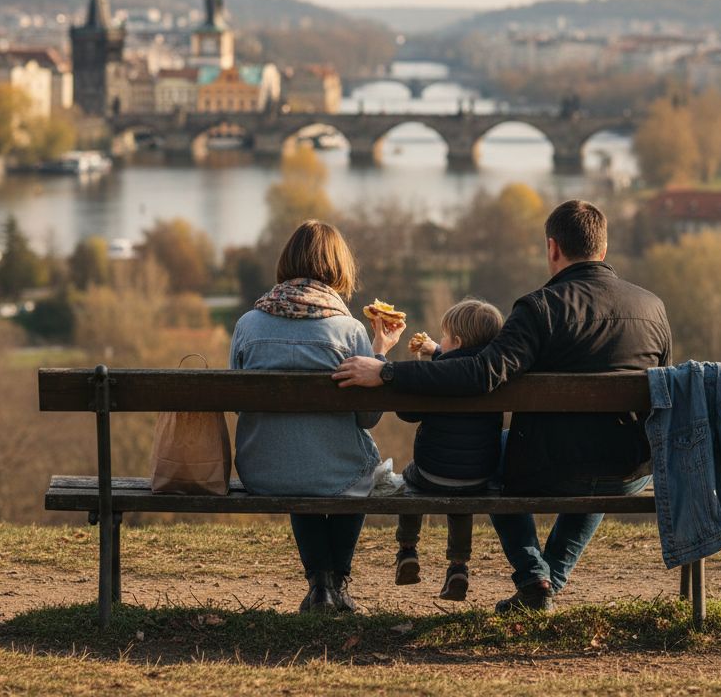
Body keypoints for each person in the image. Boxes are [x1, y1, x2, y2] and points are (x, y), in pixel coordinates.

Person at [334, 199, 671, 613]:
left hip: (554, 467)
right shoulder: (652, 308)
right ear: (603, 249)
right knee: (599, 459)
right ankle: (544, 582)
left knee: (496, 456)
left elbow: (480, 374)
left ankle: (535, 577)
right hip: (630, 467)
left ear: (553, 248)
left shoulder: (539, 309)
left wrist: (388, 373)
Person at [231, 220, 404, 614]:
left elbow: (241, 404)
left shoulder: (248, 325)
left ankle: (320, 584)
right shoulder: (349, 331)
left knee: (295, 456)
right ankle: (334, 583)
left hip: (263, 470)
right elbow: (367, 419)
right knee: (359, 471)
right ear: (338, 267)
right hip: (336, 472)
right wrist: (378, 355)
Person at [393, 299, 504, 601]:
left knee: (408, 479)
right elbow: (463, 363)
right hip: (478, 475)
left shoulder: (438, 374)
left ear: (456, 341)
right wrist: (437, 352)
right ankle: (458, 567)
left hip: (430, 471)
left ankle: (407, 550)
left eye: (444, 337)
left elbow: (407, 413)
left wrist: (419, 368)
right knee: (461, 498)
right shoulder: (494, 375)